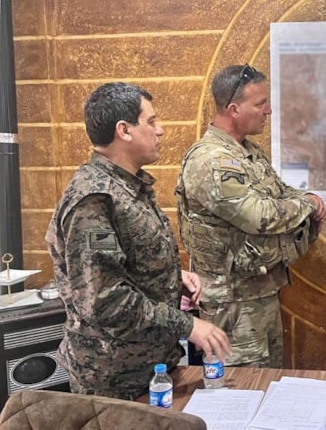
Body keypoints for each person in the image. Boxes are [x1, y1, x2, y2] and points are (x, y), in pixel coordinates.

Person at [46, 82, 231, 400]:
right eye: (151, 121)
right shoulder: (94, 199)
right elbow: (105, 301)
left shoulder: (127, 186)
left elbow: (125, 263)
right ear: (124, 130)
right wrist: (187, 326)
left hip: (149, 369)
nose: (160, 130)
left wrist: (170, 278)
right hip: (115, 381)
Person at [175, 64, 326, 368]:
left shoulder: (248, 152)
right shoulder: (211, 160)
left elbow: (280, 193)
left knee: (267, 381)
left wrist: (305, 199)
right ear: (234, 109)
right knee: (240, 387)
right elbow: (258, 216)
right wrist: (309, 206)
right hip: (232, 305)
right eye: (260, 103)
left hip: (258, 293)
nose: (268, 110)